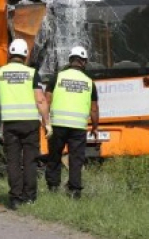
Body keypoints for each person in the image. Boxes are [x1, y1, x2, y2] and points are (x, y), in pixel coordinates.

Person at [0, 38, 51, 210]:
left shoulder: (2, 72)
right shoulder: (32, 74)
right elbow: (40, 99)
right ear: (25, 56)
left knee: (13, 161)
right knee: (29, 161)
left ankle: (15, 198)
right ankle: (29, 197)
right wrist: (48, 123)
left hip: (10, 124)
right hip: (30, 124)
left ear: (9, 54)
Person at [45, 45, 99, 199]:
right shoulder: (89, 82)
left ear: (70, 60)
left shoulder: (57, 77)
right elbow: (94, 109)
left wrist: (46, 121)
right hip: (78, 128)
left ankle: (53, 187)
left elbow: (47, 100)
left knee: (54, 156)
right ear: (84, 62)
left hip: (58, 125)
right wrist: (95, 127)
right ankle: (75, 191)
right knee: (76, 159)